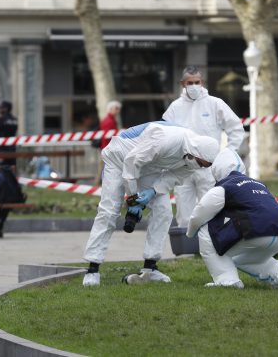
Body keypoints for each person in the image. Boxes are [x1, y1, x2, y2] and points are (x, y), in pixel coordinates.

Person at [83, 121, 220, 286]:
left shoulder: (196, 157)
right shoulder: (166, 140)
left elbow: (173, 177)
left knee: (163, 210)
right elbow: (131, 163)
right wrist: (133, 199)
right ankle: (92, 270)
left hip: (147, 167)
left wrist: (153, 191)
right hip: (119, 158)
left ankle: (151, 268)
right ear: (195, 152)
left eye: (203, 166)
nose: (198, 167)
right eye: (199, 163)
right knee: (109, 211)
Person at [187, 149, 278, 288]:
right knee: (242, 259)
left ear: (218, 171)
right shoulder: (258, 183)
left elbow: (199, 214)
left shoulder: (225, 186)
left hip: (257, 231)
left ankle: (227, 281)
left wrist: (190, 233)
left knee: (205, 229)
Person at [163, 66, 244, 227]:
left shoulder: (214, 104)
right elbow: (166, 136)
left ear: (202, 82)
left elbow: (235, 128)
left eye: (196, 82)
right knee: (184, 211)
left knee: (210, 210)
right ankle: (187, 246)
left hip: (208, 168)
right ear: (182, 83)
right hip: (182, 168)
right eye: (189, 82)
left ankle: (212, 246)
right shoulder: (175, 107)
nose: (193, 86)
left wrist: (227, 153)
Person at [95, 101, 121, 185]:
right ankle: (98, 182)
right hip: (108, 147)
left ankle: (99, 183)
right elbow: (106, 137)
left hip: (107, 147)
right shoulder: (109, 121)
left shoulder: (109, 120)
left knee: (104, 166)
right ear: (110, 109)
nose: (118, 110)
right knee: (104, 166)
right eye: (116, 108)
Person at [0, 100, 18, 166]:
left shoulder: (1, 119)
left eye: (2, 107)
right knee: (11, 170)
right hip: (12, 150)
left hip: (2, 149)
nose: (0, 109)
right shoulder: (15, 119)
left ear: (6, 108)